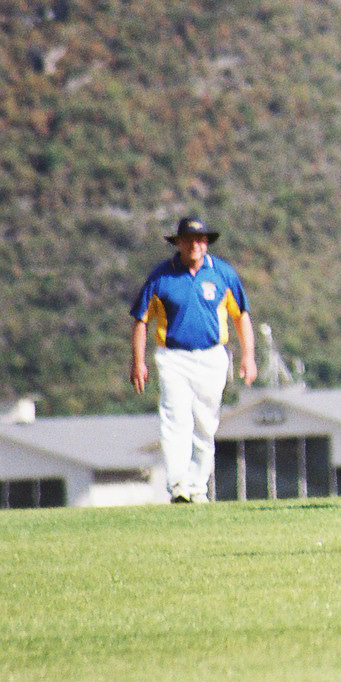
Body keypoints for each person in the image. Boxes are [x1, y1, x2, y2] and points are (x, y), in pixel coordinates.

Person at [130, 215, 259, 503]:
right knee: (175, 419)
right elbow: (141, 320)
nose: (195, 246)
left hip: (212, 356)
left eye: (200, 241)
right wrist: (138, 361)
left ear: (206, 244)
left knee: (205, 422)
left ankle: (198, 487)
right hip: (173, 357)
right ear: (178, 243)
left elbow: (242, 317)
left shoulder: (222, 274)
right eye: (188, 241)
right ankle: (178, 486)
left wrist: (248, 357)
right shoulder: (161, 277)